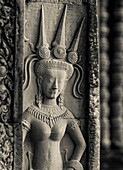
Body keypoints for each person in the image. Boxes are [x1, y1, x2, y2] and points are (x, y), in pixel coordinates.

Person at [22, 5, 86, 170]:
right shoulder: (30, 113)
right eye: (50, 80)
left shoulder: (65, 114)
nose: (55, 86)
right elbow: (15, 144)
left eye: (60, 81)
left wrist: (72, 165)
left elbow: (81, 145)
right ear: (40, 81)